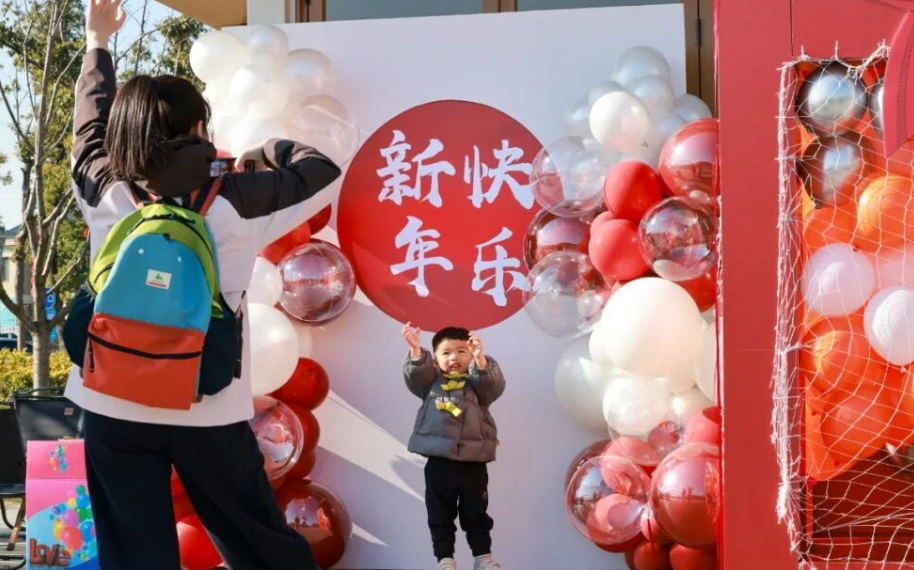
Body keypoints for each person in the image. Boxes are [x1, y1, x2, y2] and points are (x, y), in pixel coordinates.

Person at [64, 1, 341, 568]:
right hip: (207, 402)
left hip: (111, 396)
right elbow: (323, 169)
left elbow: (87, 128)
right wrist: (265, 153)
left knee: (133, 554)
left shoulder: (105, 189)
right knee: (259, 544)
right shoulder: (236, 199)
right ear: (198, 130)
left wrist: (98, 42)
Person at [402, 323, 507, 570]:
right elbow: (416, 374)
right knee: (439, 513)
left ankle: (483, 558)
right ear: (436, 359)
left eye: (462, 351)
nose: (454, 358)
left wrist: (481, 360)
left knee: (476, 514)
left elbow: (492, 383)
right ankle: (445, 559)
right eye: (446, 352)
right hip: (439, 463)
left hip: (473, 464)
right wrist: (416, 351)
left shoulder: (478, 386)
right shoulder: (430, 383)